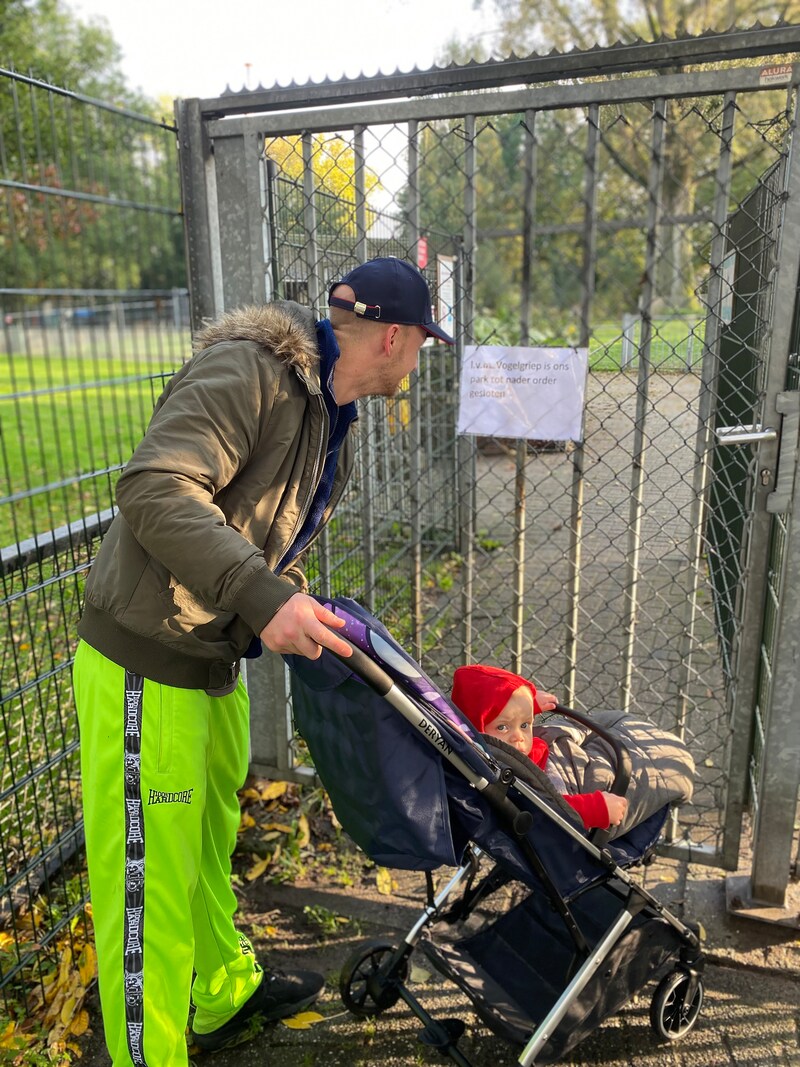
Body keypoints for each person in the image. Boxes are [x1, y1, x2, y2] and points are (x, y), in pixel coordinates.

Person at [72, 257, 454, 1065]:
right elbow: (153, 486)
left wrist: (289, 599)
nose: (420, 356)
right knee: (146, 888)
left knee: (207, 845)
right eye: (422, 341)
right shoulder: (249, 372)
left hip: (209, 654)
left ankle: (217, 995)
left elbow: (256, 525)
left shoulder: (329, 419)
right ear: (394, 336)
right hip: (148, 661)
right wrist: (260, 592)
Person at [451, 664, 628, 830]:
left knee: (608, 724)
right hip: (569, 785)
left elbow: (488, 711)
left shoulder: (486, 754)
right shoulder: (505, 776)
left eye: (525, 725)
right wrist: (595, 809)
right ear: (477, 730)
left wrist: (526, 703)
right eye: (502, 727)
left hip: (549, 752)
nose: (518, 737)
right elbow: (545, 809)